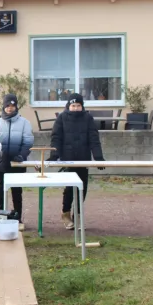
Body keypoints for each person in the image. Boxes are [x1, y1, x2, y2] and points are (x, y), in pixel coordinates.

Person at [49, 93, 104, 230]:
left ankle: (77, 216)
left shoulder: (88, 118)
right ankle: (66, 214)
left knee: (82, 187)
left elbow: (94, 138)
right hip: (68, 159)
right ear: (69, 106)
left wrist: (98, 157)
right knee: (69, 188)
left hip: (83, 159)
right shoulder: (61, 118)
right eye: (73, 105)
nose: (75, 108)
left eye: (78, 105)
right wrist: (54, 155)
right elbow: (56, 138)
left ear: (82, 106)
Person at [0, 94, 34, 222]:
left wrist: (22, 155)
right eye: (7, 106)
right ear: (4, 107)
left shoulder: (25, 123)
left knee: (17, 192)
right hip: (2, 163)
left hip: (18, 163)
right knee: (1, 191)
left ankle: (18, 217)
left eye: (12, 106)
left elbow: (28, 142)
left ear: (16, 107)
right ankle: (1, 216)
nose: (10, 108)